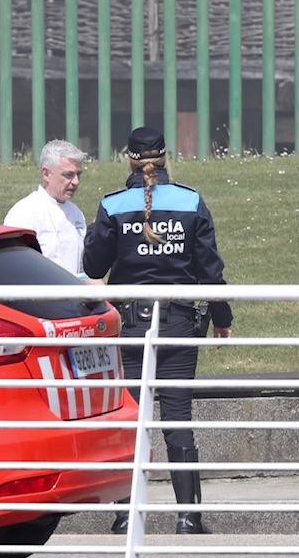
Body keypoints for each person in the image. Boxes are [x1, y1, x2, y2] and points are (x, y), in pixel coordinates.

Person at [83, 126, 233, 535]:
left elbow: (94, 267)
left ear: (128, 159)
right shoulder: (190, 201)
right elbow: (210, 272)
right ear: (165, 158)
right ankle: (189, 517)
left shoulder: (113, 206)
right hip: (179, 323)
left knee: (131, 419)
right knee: (178, 417)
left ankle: (125, 515)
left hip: (128, 326)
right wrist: (222, 317)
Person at [4, 139, 88, 276]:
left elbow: (83, 272)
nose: (76, 182)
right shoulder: (23, 214)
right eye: (69, 175)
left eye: (78, 174)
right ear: (46, 174)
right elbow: (14, 269)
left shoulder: (77, 214)